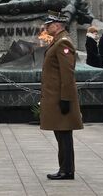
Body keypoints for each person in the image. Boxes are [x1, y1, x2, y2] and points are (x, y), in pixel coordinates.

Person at [39, 11, 83, 180]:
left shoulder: (63, 43)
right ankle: (64, 168)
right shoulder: (57, 41)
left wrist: (65, 98)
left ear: (57, 26)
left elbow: (67, 73)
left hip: (60, 97)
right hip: (55, 96)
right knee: (61, 133)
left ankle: (67, 170)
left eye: (48, 25)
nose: (46, 27)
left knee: (64, 134)